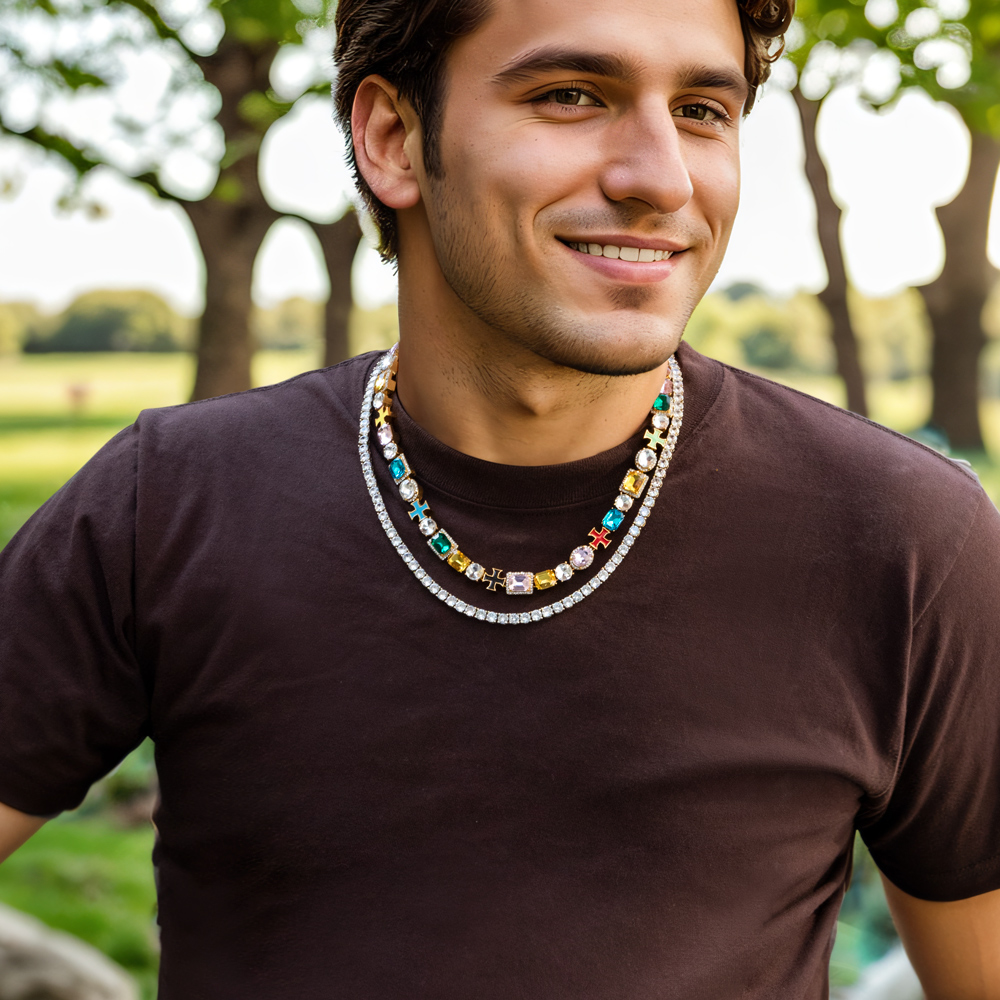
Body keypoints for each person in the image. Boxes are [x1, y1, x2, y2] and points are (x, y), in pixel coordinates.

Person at [1, 0, 999, 996]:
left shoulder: (900, 541)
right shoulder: (167, 504)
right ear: (392, 138)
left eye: (702, 110)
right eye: (570, 95)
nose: (659, 178)